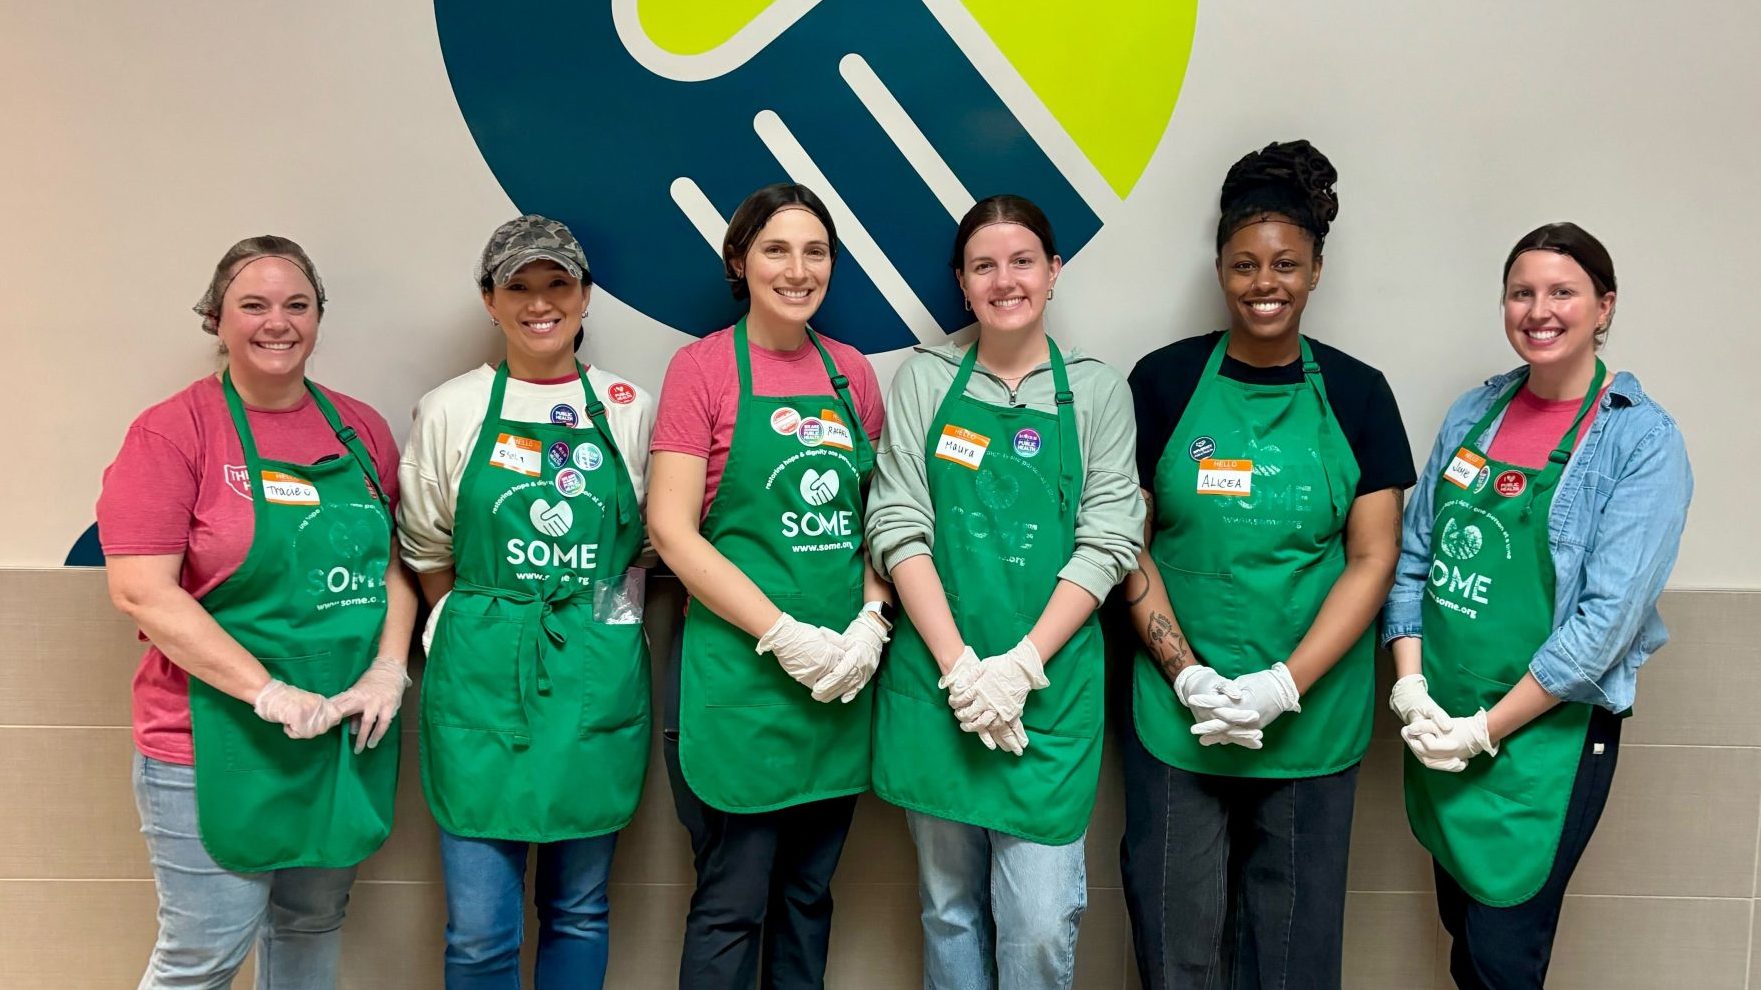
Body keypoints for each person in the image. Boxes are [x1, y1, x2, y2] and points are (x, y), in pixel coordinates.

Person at [1119, 140, 1415, 989]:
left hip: (1310, 718)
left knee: (1292, 954)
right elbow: (1127, 543)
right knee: (1175, 943)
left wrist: (1283, 683)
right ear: (1219, 268)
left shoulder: (1359, 395)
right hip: (1177, 718)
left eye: (1285, 263)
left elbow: (1373, 556)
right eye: (1244, 263)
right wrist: (1185, 675)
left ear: (1316, 270)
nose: (1264, 282)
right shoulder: (1164, 383)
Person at [99, 235, 415, 988]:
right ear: (216, 319)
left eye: (297, 305)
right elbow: (141, 589)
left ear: (317, 319)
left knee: (310, 929)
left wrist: (387, 669)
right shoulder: (173, 434)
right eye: (254, 304)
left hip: (337, 731)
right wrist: (264, 691)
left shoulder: (360, 429)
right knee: (202, 953)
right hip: (209, 741)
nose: (278, 322)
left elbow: (398, 562)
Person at [1387, 222, 1692, 988]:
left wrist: (1484, 731)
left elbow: (1604, 625)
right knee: (1462, 933)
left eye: (1562, 292)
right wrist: (1410, 684)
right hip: (1441, 723)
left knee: (1502, 955)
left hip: (1538, 740)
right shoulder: (1473, 414)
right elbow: (1415, 556)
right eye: (1521, 292)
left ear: (1603, 307)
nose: (1538, 309)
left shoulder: (1640, 442)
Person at [866, 194, 1144, 990]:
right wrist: (960, 670)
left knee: (1039, 924)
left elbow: (1109, 537)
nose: (1004, 280)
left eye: (1022, 261)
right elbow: (896, 521)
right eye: (983, 266)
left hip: (1048, 699)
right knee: (948, 908)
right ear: (961, 284)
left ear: (1053, 273)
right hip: (937, 688)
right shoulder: (924, 380)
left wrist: (1019, 666)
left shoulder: (1094, 392)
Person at [398, 215, 656, 989]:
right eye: (518, 286)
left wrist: (600, 633)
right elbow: (427, 547)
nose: (539, 303)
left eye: (557, 284)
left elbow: (648, 547)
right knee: (479, 931)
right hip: (482, 681)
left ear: (584, 297)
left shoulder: (628, 408)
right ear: (490, 300)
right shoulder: (449, 409)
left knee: (579, 909)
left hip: (594, 679)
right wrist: (475, 625)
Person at [646, 182, 891, 990]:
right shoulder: (702, 370)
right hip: (736, 683)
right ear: (740, 262)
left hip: (836, 685)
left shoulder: (851, 374)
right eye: (776, 249)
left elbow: (872, 521)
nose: (798, 268)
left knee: (808, 896)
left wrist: (869, 618)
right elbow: (672, 530)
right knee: (731, 902)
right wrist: (781, 634)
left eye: (815, 251)